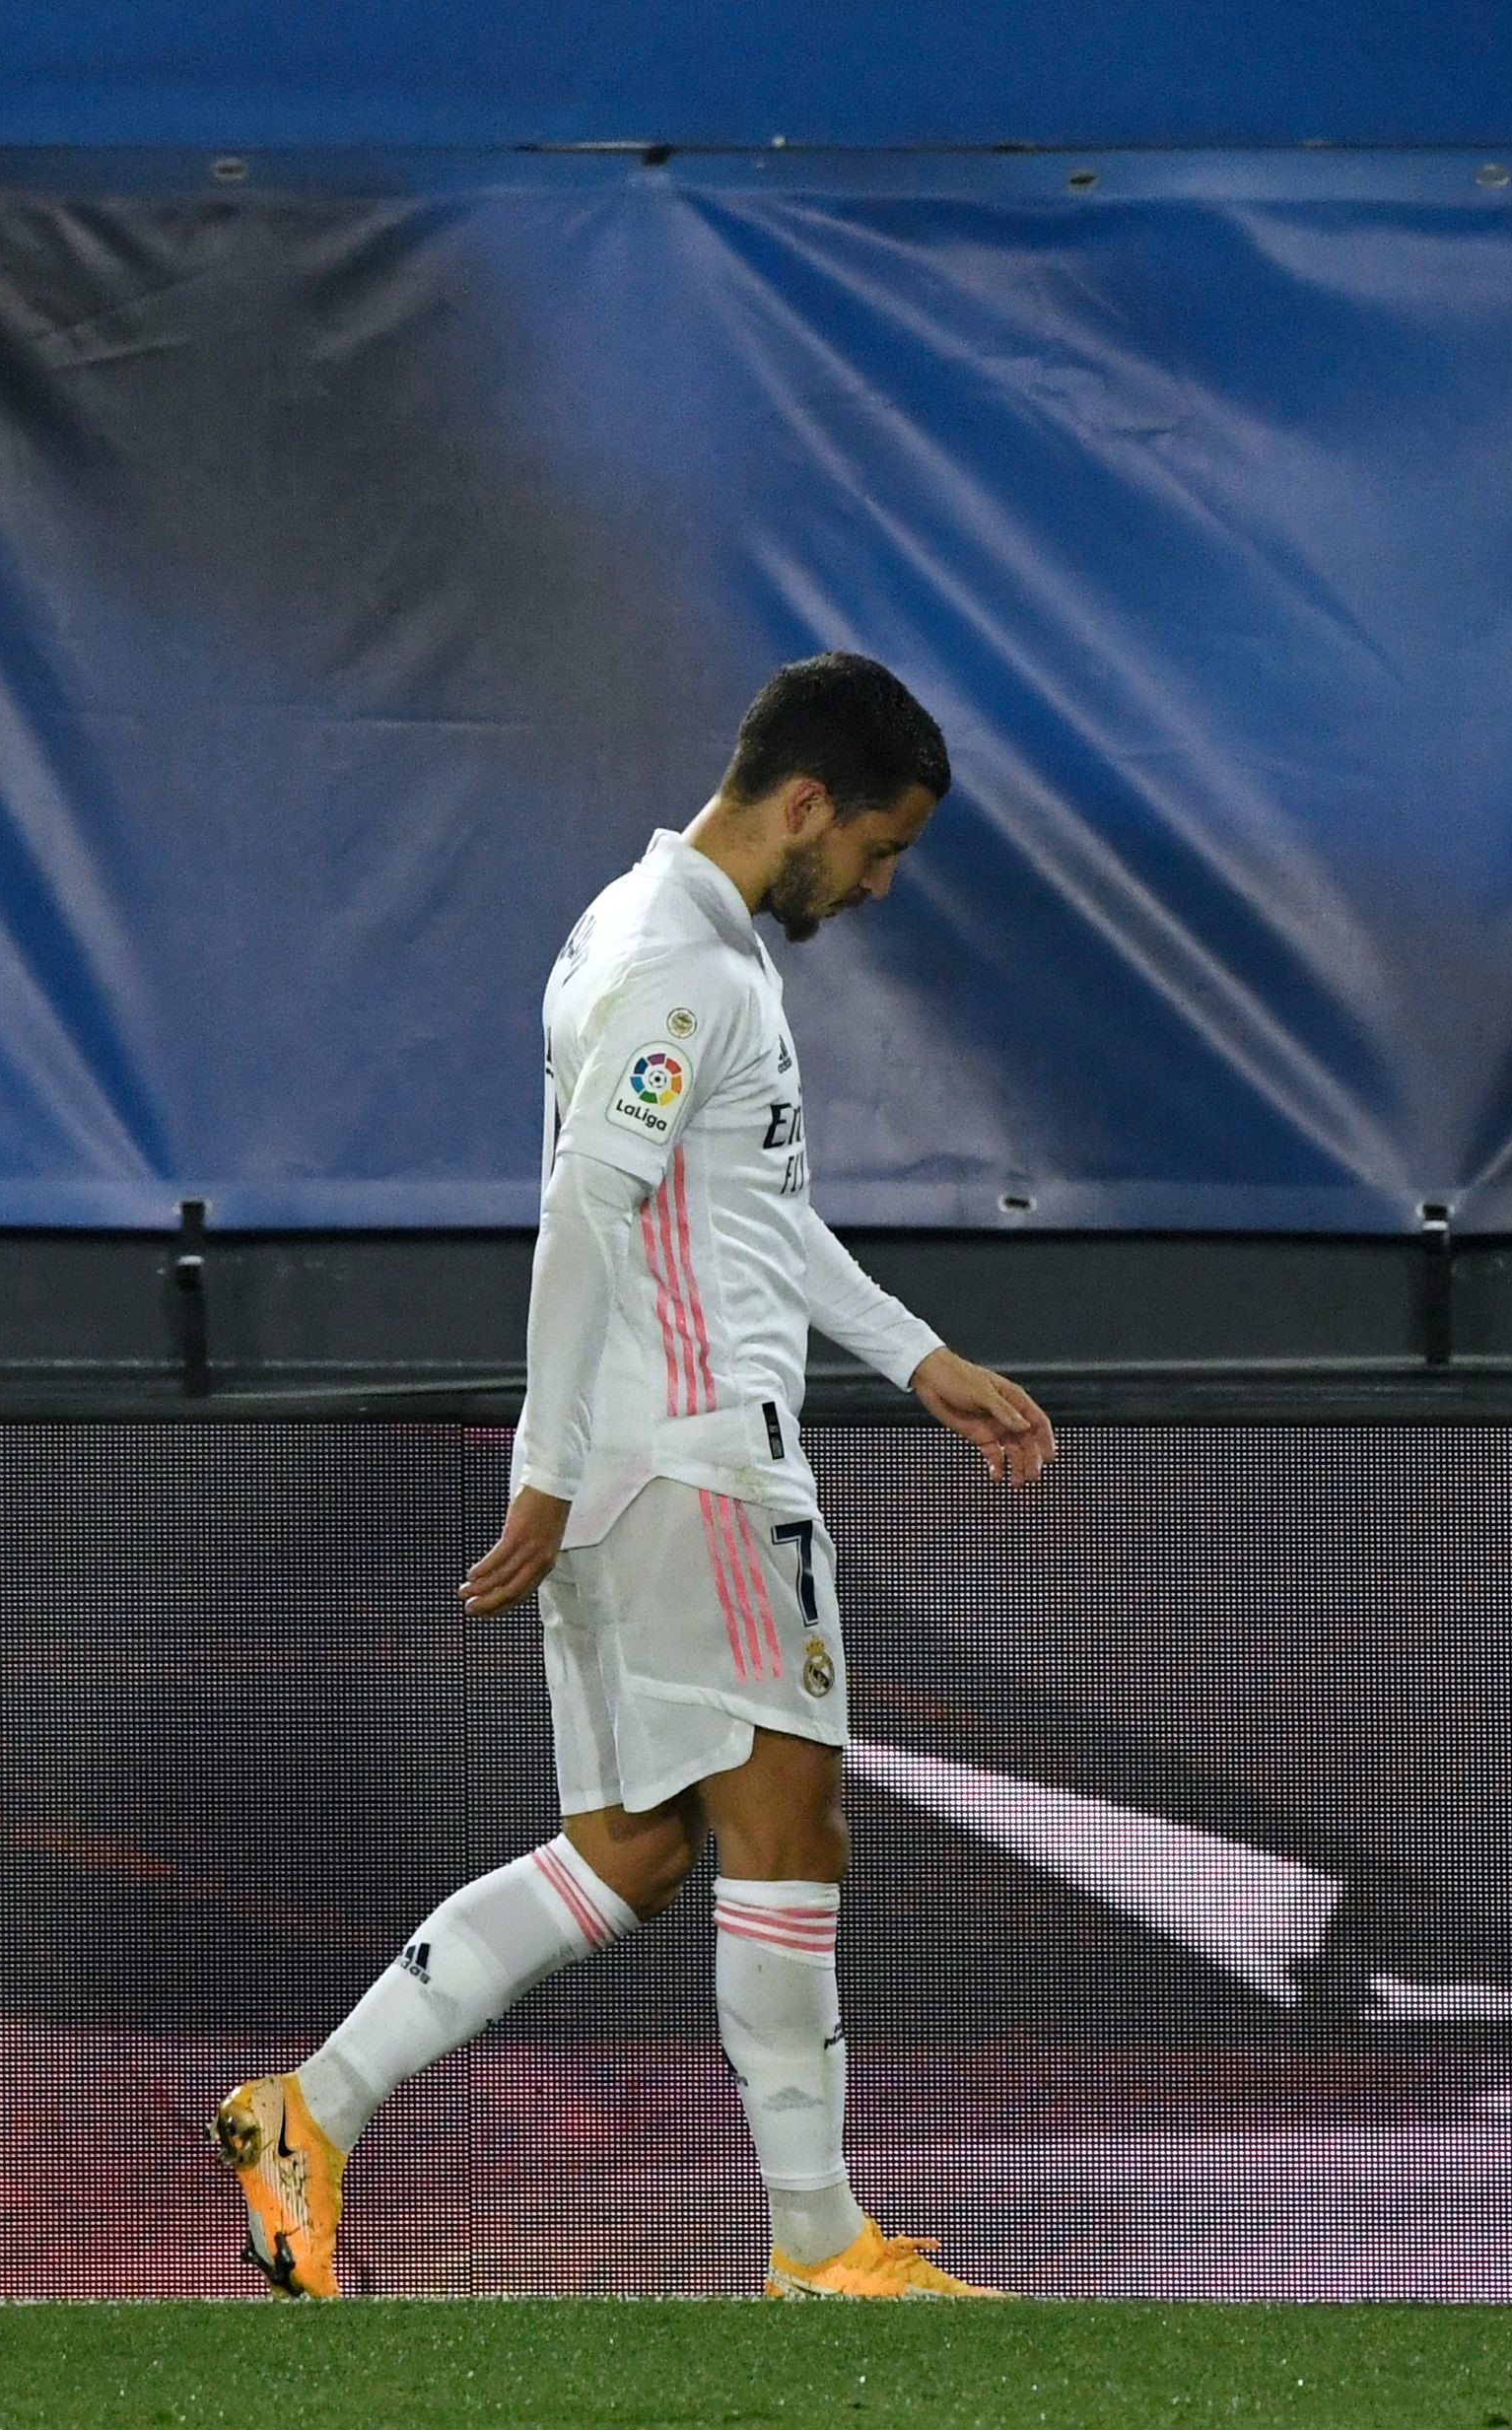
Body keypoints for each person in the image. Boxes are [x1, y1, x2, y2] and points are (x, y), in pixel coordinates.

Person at [211, 653, 1059, 2299]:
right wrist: (538, 1469)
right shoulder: (690, 968)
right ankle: (818, 2247)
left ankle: (308, 2108)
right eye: (877, 848)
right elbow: (587, 1210)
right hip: (693, 1467)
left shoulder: (633, 928)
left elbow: (734, 1202)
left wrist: (913, 1355)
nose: (878, 885)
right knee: (788, 1813)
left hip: (630, 1465)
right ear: (803, 802)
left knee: (631, 1847)